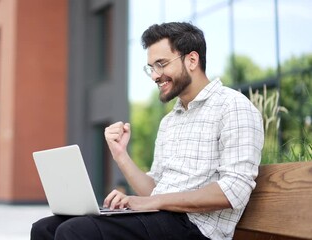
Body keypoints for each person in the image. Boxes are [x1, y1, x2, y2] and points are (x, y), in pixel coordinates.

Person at [31, 22, 264, 240]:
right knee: (44, 228)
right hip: (162, 218)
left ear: (192, 60)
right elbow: (154, 190)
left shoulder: (233, 106)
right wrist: (120, 155)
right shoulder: (171, 121)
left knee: (75, 232)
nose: (154, 75)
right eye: (151, 68)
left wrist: (154, 202)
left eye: (161, 64)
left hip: (197, 229)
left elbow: (234, 191)